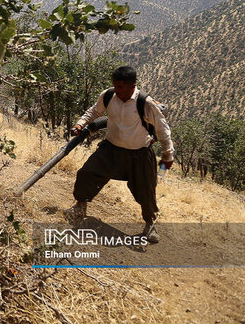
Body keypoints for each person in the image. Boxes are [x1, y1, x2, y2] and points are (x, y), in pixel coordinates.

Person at [65, 66, 174, 243]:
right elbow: (94, 111)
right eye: (115, 86)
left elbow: (163, 130)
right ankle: (80, 207)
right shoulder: (108, 96)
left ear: (132, 86)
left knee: (146, 191)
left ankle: (150, 224)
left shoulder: (146, 103)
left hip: (139, 154)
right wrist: (80, 124)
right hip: (111, 149)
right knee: (86, 173)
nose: (117, 90)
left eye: (121, 87)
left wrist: (167, 156)